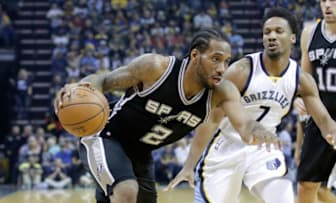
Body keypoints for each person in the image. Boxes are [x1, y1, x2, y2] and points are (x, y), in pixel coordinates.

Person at [54, 28, 280, 203]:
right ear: (195, 55)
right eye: (216, 59)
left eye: (226, 61)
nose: (222, 68)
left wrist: (260, 131)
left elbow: (244, 124)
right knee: (126, 191)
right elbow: (103, 80)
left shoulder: (222, 92)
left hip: (141, 154)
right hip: (106, 135)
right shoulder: (156, 68)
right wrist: (79, 88)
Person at [164, 8, 336, 203]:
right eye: (267, 32)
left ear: (293, 38)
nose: (272, 36)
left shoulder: (301, 80)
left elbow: (324, 120)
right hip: (226, 146)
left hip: (264, 148)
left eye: (279, 31)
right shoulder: (241, 71)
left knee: (283, 198)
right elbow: (211, 120)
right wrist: (189, 165)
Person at [296, 0, 336, 202]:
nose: (327, 5)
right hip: (321, 116)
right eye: (323, 0)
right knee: (306, 185)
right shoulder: (309, 32)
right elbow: (304, 77)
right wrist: (300, 97)